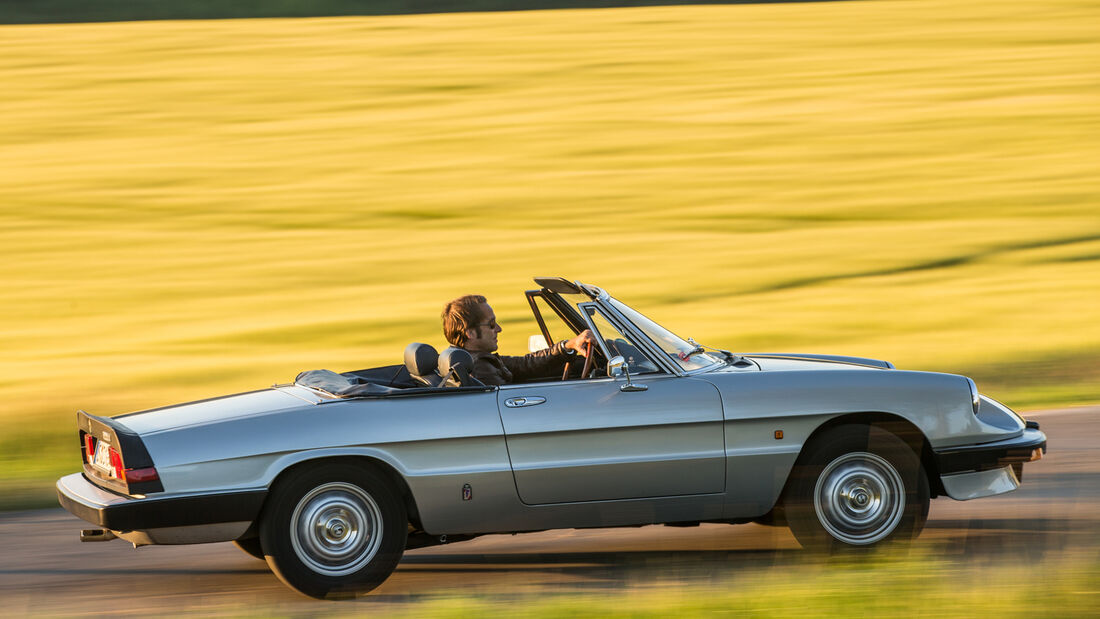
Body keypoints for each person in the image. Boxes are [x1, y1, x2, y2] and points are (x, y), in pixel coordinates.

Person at [441, 294, 596, 386]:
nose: (499, 329)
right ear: (471, 333)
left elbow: (525, 364)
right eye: (492, 324)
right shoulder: (479, 368)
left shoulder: (473, 360)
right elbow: (505, 402)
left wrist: (566, 346)